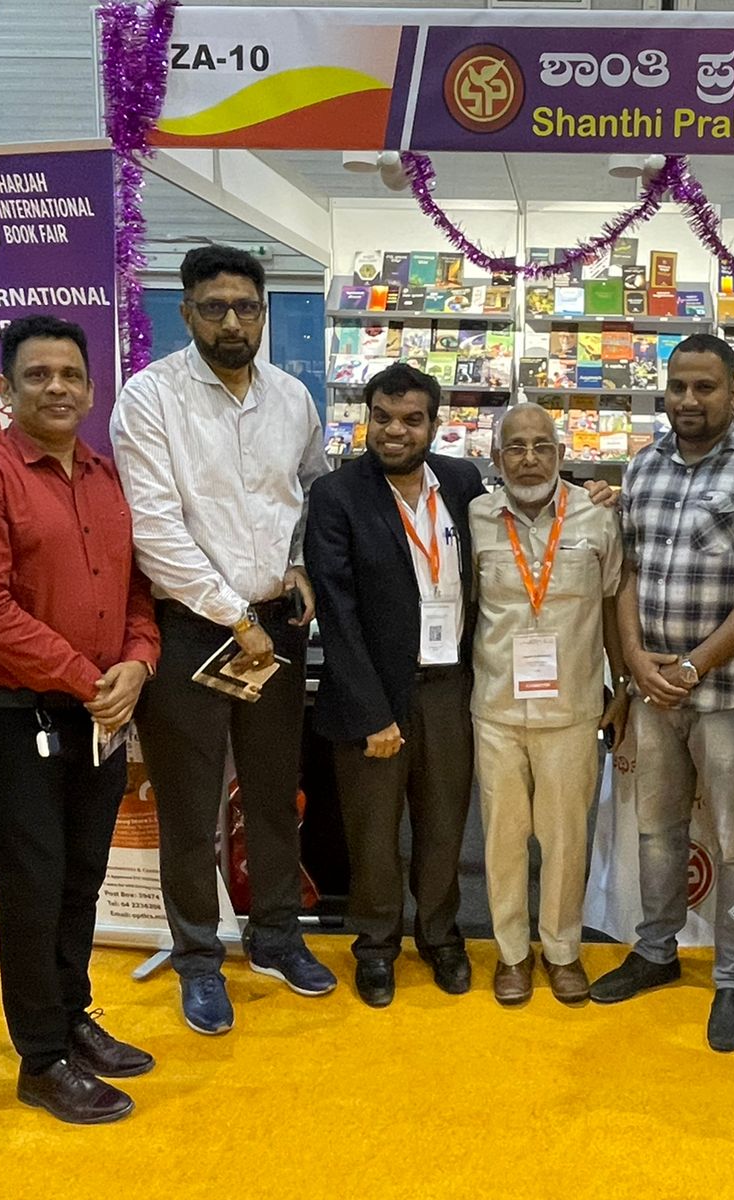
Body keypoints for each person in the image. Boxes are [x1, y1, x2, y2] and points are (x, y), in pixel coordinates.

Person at [0, 315, 160, 1125]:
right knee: (31, 888)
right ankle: (40, 1057)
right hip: (10, 720)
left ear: (92, 389)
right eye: (37, 375)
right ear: (6, 389)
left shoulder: (107, 477)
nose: (56, 387)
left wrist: (139, 661)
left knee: (81, 877)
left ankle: (72, 1015)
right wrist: (89, 677)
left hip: (98, 713)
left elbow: (137, 589)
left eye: (69, 374)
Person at [111, 245, 333, 1036]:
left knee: (273, 794)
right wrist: (234, 616)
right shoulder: (150, 399)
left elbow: (309, 490)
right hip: (191, 629)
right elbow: (154, 528)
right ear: (187, 313)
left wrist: (297, 563)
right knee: (190, 805)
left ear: (264, 312)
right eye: (214, 308)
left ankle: (275, 936)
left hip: (275, 627)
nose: (232, 322)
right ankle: (199, 958)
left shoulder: (292, 399)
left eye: (245, 307)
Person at [589, 332, 734, 1053]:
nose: (689, 399)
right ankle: (656, 951)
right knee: (657, 832)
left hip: (730, 697)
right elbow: (625, 572)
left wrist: (695, 665)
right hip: (654, 694)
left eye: (705, 386)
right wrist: (634, 662)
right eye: (678, 385)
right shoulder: (643, 466)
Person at [306, 363, 486, 1007]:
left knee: (443, 826)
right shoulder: (337, 494)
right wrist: (372, 714)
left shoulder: (463, 482)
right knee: (374, 835)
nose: (394, 431)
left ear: (434, 425)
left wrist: (590, 495)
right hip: (373, 694)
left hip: (449, 689)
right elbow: (338, 611)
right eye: (381, 417)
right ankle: (376, 946)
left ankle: (440, 936)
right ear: (367, 418)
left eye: (411, 420)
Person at [468, 402, 627, 1005]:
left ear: (561, 454)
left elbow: (612, 604)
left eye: (542, 446)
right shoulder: (476, 517)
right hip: (495, 707)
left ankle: (562, 951)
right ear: (496, 457)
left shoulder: (598, 515)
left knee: (565, 840)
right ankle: (511, 953)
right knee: (503, 839)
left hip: (573, 708)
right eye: (515, 447)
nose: (529, 459)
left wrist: (623, 686)